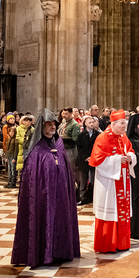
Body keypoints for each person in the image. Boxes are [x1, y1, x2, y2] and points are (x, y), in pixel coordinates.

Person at [11, 111, 81, 266]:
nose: (52, 127)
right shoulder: (36, 148)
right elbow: (31, 176)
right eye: (49, 124)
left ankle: (60, 252)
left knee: (60, 219)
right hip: (42, 195)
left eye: (54, 124)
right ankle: (41, 254)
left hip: (60, 194)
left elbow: (65, 168)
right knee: (42, 220)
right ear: (41, 127)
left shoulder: (59, 144)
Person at [89, 110, 137, 252]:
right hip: (108, 182)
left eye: (126, 123)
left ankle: (121, 243)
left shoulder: (123, 137)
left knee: (121, 212)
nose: (125, 126)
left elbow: (131, 151)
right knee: (110, 212)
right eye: (122, 124)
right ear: (113, 124)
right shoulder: (103, 138)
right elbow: (97, 161)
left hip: (123, 179)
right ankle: (107, 244)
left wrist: (130, 157)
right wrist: (117, 160)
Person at [75, 115, 100, 205]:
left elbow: (98, 147)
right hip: (84, 160)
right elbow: (79, 148)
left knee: (94, 180)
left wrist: (93, 157)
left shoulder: (98, 134)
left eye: (93, 122)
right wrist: (86, 157)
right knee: (83, 180)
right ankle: (83, 198)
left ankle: (93, 197)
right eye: (89, 122)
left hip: (94, 159)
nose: (92, 124)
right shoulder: (81, 135)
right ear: (85, 123)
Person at [4, 115, 20, 188]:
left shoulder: (15, 140)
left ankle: (13, 183)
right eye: (10, 131)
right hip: (9, 156)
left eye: (12, 132)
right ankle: (9, 182)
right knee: (9, 170)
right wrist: (6, 157)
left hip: (13, 156)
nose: (11, 133)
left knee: (13, 170)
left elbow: (16, 150)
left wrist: (14, 158)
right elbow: (7, 149)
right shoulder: (9, 139)